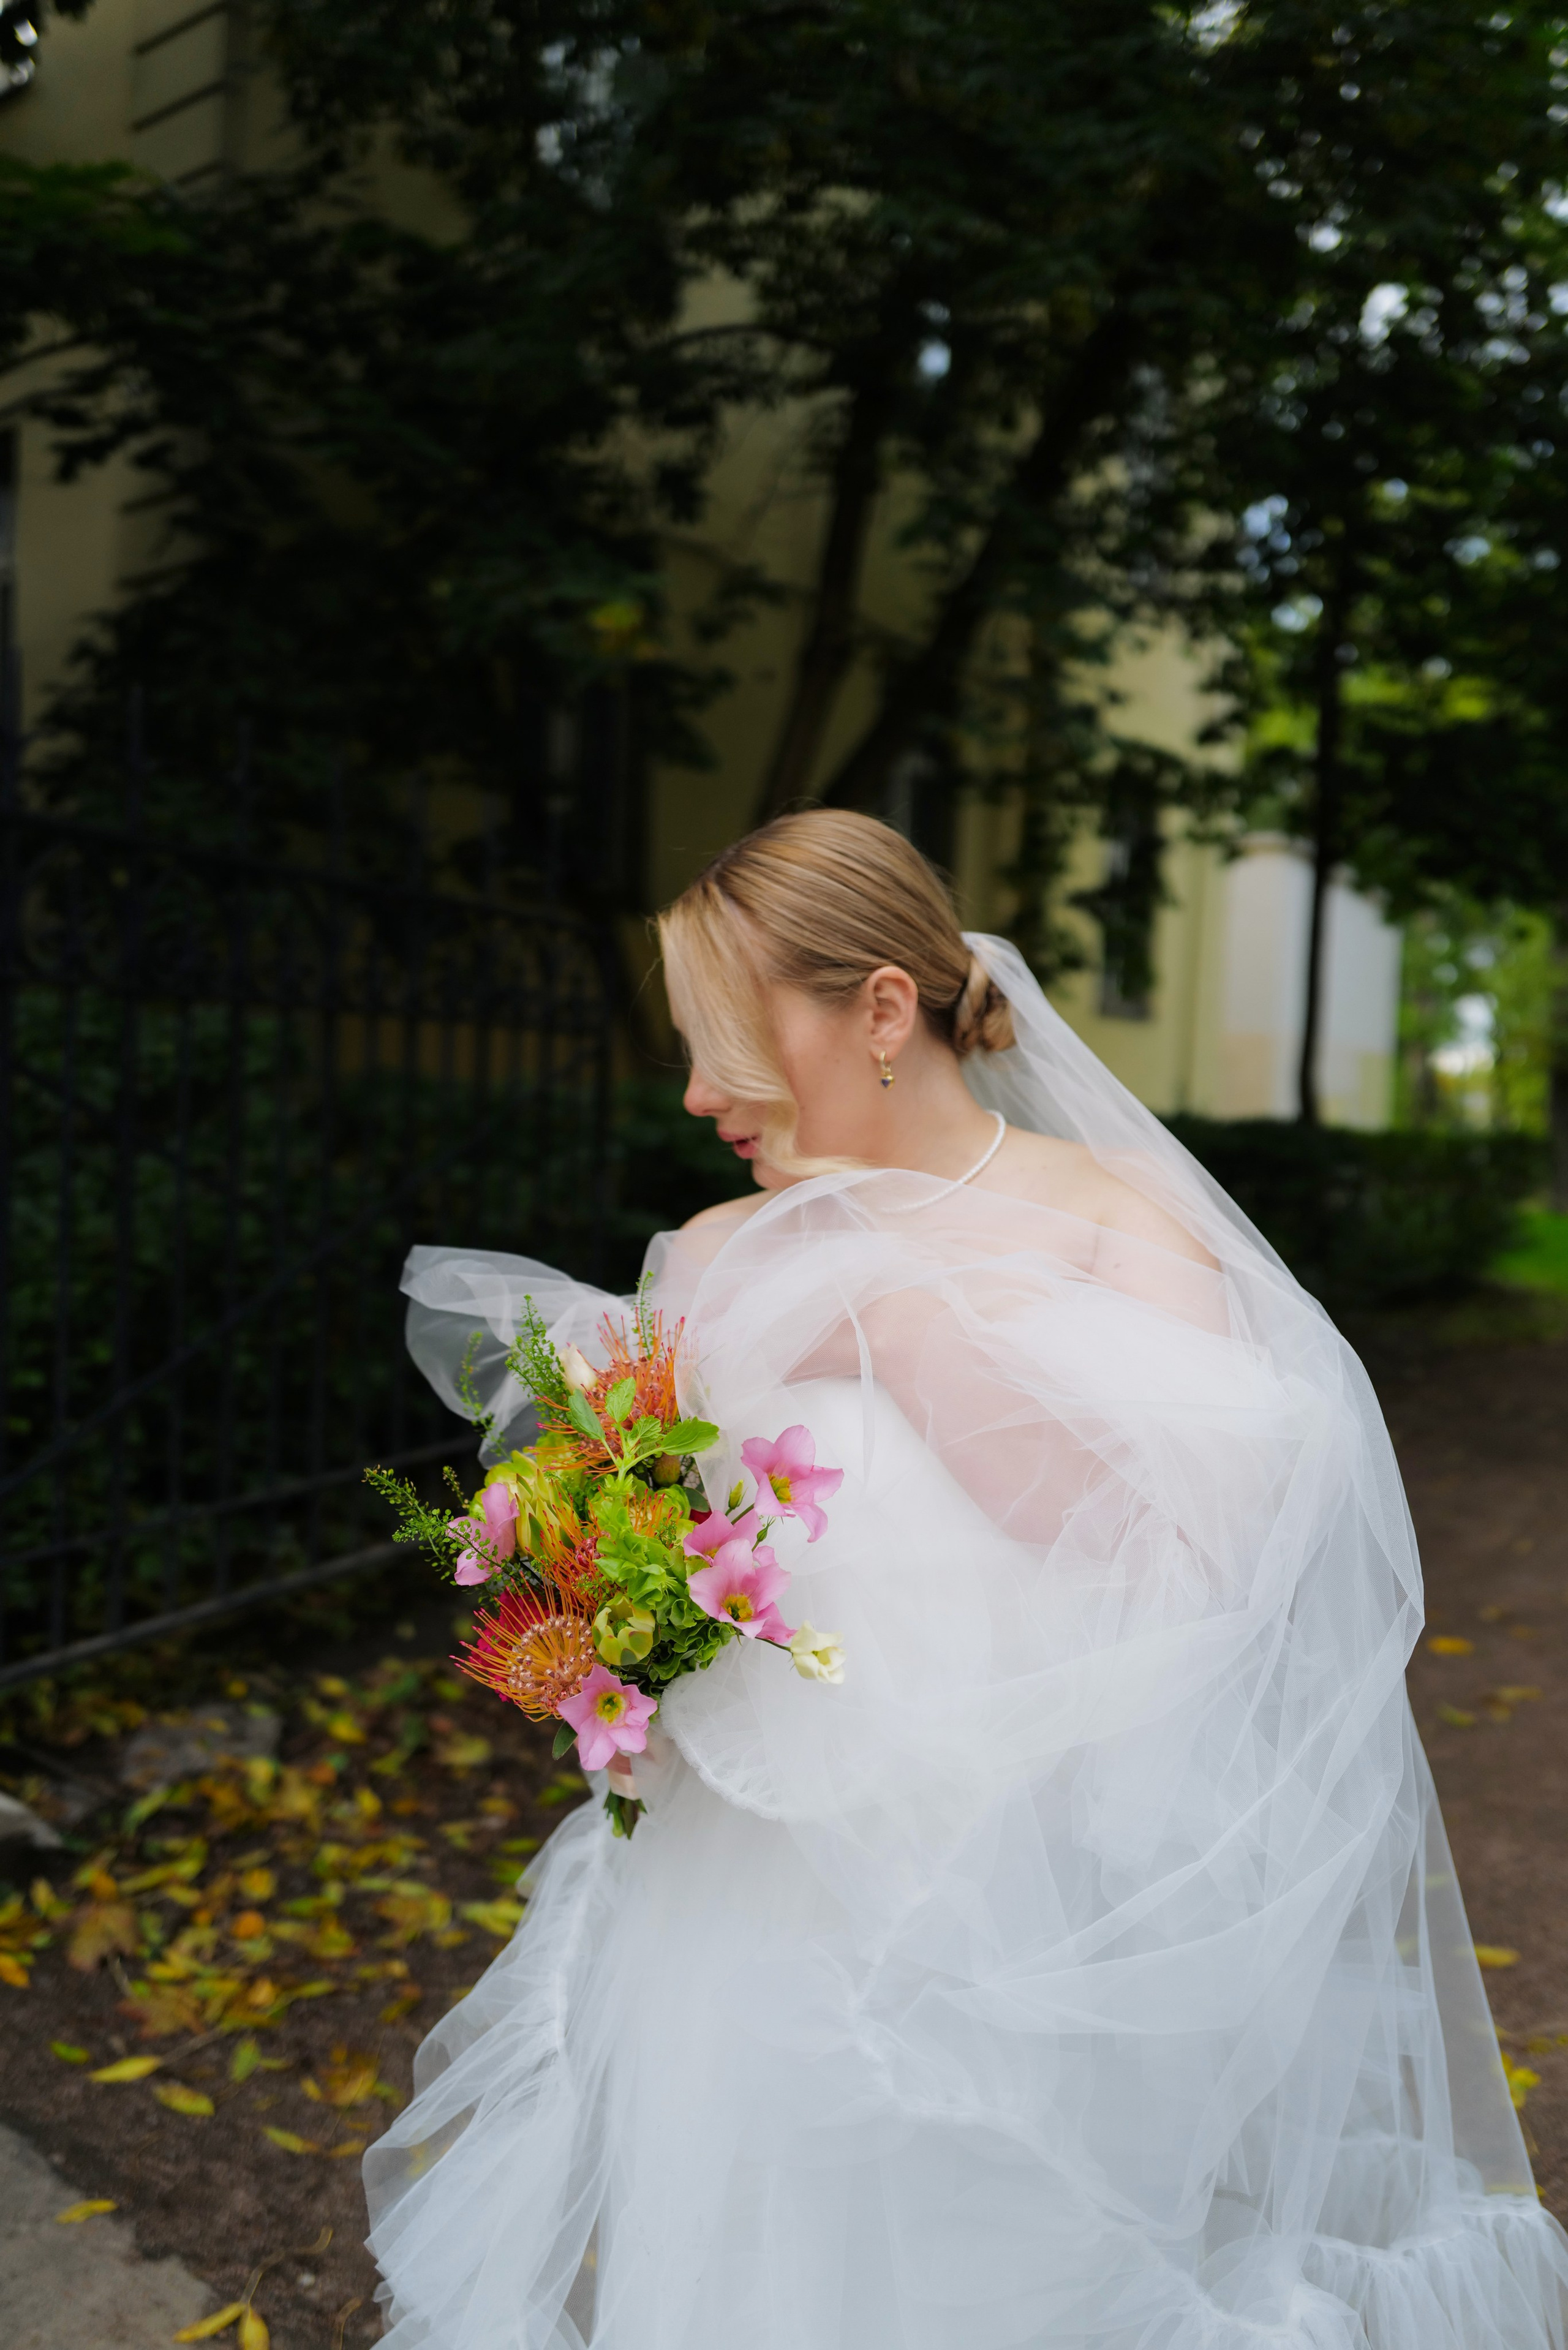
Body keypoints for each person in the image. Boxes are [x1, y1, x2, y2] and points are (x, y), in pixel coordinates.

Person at [367, 810, 1568, 2350]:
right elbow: (648, 1538)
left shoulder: (1112, 1228)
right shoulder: (719, 1250)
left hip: (1034, 1913)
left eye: (729, 1040)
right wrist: (599, 1600)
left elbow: (1203, 1568)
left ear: (879, 1008)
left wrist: (889, 1310)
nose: (694, 1093)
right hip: (739, 1898)